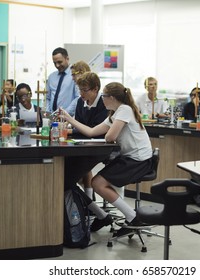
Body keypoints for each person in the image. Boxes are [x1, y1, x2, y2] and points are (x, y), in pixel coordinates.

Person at [60, 82, 153, 235]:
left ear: (112, 97)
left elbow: (110, 136)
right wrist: (69, 118)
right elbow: (91, 132)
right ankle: (128, 215)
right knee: (96, 182)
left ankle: (132, 216)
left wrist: (109, 132)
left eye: (103, 95)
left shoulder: (124, 110)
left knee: (98, 183)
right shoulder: (115, 113)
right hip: (131, 157)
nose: (102, 98)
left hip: (139, 160)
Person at [68, 71, 109, 200]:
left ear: (95, 89)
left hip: (100, 146)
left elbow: (95, 130)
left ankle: (88, 203)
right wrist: (74, 131)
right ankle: (87, 202)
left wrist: (72, 131)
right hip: (83, 144)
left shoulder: (104, 103)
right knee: (68, 165)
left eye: (84, 90)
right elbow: (80, 127)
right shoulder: (81, 102)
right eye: (79, 90)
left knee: (73, 172)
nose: (81, 94)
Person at [46, 47, 79, 116]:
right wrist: (48, 113)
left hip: (69, 118)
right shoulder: (51, 77)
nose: (57, 65)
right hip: (52, 118)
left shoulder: (75, 75)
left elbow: (78, 98)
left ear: (67, 58)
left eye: (59, 62)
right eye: (54, 63)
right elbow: (48, 98)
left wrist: (64, 114)